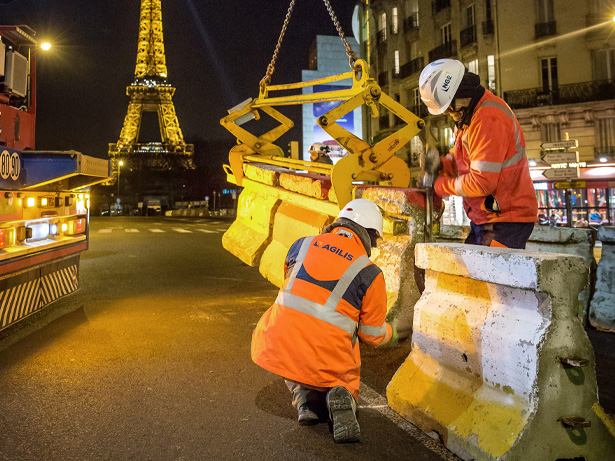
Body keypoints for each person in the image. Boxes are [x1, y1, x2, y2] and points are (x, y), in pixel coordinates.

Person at [251, 198, 397, 443]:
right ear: (370, 235)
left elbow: (290, 282)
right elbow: (372, 336)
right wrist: (394, 331)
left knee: (293, 336)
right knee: (347, 345)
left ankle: (305, 401)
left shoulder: (301, 245)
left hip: (276, 340)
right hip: (327, 355)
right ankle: (343, 395)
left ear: (338, 223)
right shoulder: (371, 273)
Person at [419, 59, 538, 249]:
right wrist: (442, 165)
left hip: (505, 221)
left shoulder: (488, 118)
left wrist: (439, 185)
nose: (449, 113)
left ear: (460, 94)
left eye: (450, 107)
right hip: (490, 218)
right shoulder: (469, 116)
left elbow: (481, 182)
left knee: (488, 277)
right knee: (474, 274)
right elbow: (464, 162)